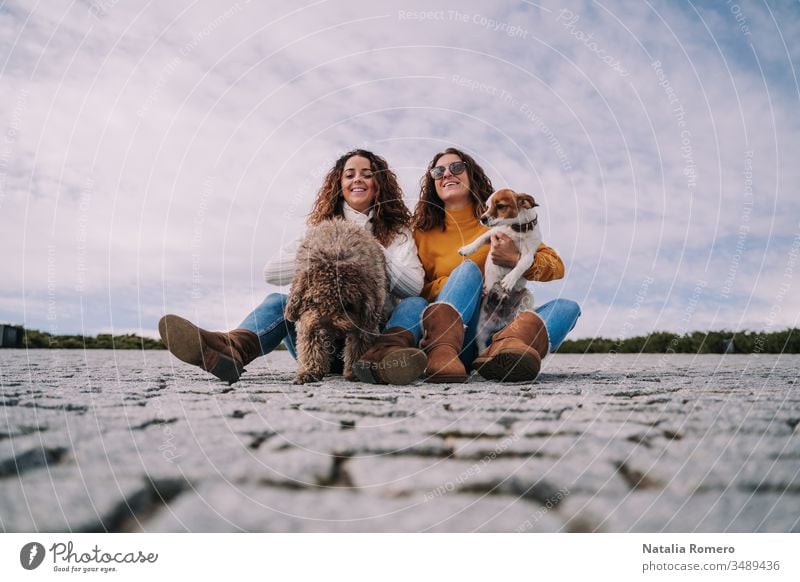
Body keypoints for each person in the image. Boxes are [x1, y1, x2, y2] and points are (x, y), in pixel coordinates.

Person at [158, 149, 426, 384]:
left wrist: (367, 246)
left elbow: (414, 287)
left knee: (415, 305)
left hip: (368, 344)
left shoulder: (399, 233)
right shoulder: (318, 230)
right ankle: (232, 349)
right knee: (278, 300)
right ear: (339, 184)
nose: (357, 178)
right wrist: (325, 250)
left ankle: (384, 364)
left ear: (379, 183)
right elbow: (271, 273)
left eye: (367, 174)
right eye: (349, 174)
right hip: (317, 343)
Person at [355, 147, 581, 384]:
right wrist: (462, 285)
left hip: (489, 330)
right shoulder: (420, 231)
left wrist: (514, 261)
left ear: (470, 174)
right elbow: (414, 286)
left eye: (456, 167)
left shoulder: (502, 220)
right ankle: (388, 358)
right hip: (445, 332)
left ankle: (506, 351)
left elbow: (556, 266)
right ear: (433, 182)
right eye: (438, 171)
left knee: (567, 308)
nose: (447, 174)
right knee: (456, 277)